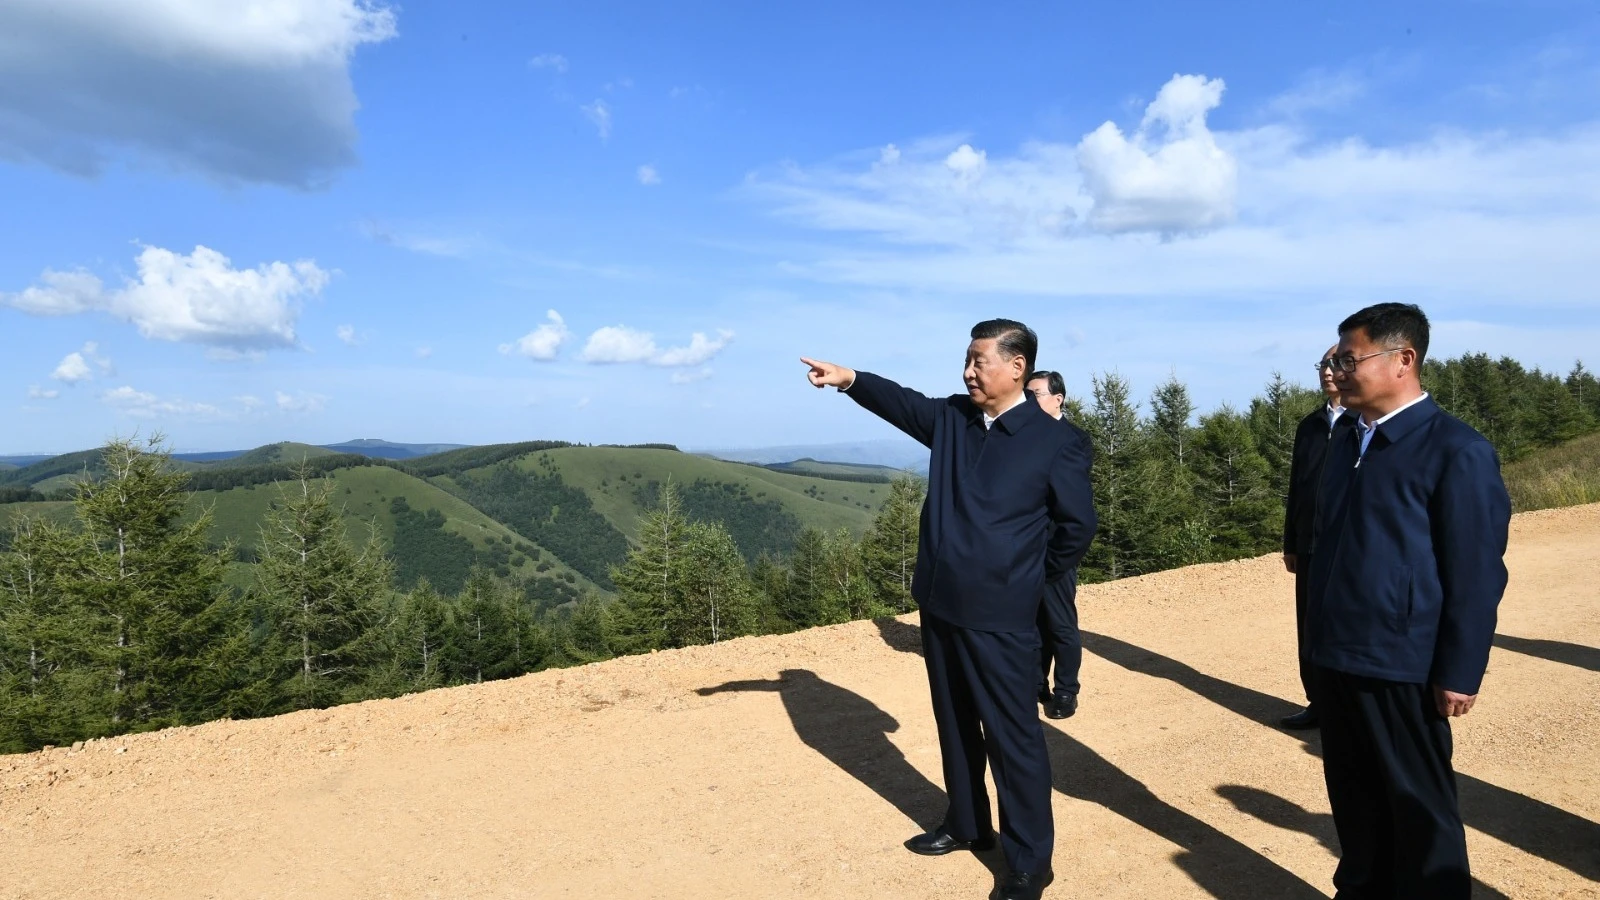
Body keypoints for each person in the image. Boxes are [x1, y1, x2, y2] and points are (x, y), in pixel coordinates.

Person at [802, 320, 1095, 900]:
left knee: (1013, 738)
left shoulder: (1056, 441)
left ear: (1017, 367)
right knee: (955, 724)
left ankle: (1030, 861)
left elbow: (1076, 528)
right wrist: (850, 379)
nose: (967, 370)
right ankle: (967, 824)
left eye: (978, 360)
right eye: (966, 360)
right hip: (940, 605)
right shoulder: (955, 420)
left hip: (1003, 616)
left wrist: (1026, 580)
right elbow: (900, 403)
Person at [1307, 303, 1511, 898]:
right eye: (1333, 360)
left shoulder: (1456, 450)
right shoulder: (1345, 440)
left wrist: (1459, 669)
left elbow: (1476, 573)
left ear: (1404, 360)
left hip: (1404, 663)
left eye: (1350, 359)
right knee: (1355, 800)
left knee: (1420, 813)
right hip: (1338, 656)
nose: (1338, 371)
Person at [1278, 345, 1350, 730]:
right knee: (1309, 626)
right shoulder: (1309, 425)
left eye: (1336, 363)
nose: (1327, 371)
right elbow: (1298, 487)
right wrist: (1291, 542)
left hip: (1345, 548)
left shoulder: (1362, 424)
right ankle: (1318, 702)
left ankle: (1347, 706)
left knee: (1343, 624)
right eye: (1323, 364)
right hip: (1308, 545)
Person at [1025, 369, 1087, 721]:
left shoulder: (1075, 439)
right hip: (1024, 547)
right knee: (1031, 622)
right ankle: (1035, 684)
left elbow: (1071, 506)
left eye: (1035, 394)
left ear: (1057, 398)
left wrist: (1059, 556)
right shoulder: (1022, 436)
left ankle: (1066, 691)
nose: (1028, 399)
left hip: (1055, 547)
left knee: (1060, 624)